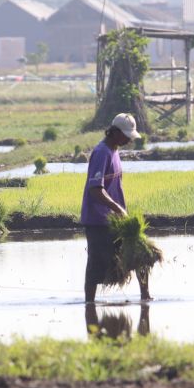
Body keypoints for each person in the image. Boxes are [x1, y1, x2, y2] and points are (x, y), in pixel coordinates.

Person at [81, 113, 150, 303]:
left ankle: (145, 296)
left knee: (139, 254)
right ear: (115, 132)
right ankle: (89, 304)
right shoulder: (102, 152)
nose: (129, 139)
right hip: (98, 220)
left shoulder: (115, 150)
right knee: (95, 267)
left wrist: (120, 211)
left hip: (116, 218)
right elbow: (95, 189)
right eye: (126, 135)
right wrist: (118, 209)